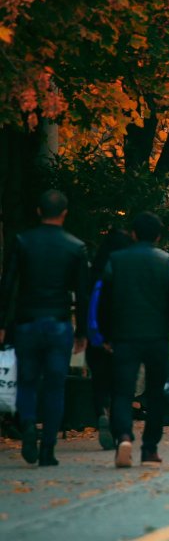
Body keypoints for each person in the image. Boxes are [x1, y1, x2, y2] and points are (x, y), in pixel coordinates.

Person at [0, 190, 90, 467]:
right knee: (55, 385)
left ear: (39, 211)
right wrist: (82, 331)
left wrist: (3, 324)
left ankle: (28, 423)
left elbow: (9, 285)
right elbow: (83, 293)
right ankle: (48, 447)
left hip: (26, 321)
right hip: (59, 322)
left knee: (27, 380)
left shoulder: (23, 242)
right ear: (64, 213)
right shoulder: (75, 247)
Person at [99, 212, 169, 467]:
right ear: (158, 236)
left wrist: (105, 335)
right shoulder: (166, 263)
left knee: (123, 390)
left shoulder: (115, 261)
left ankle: (124, 436)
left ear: (133, 233)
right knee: (156, 392)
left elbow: (104, 302)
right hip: (157, 337)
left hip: (124, 335)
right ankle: (150, 448)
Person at [86, 229, 132, 450]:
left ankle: (100, 412)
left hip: (96, 335)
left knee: (99, 379)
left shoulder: (95, 270)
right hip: (121, 335)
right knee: (119, 383)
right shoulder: (125, 270)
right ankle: (116, 422)